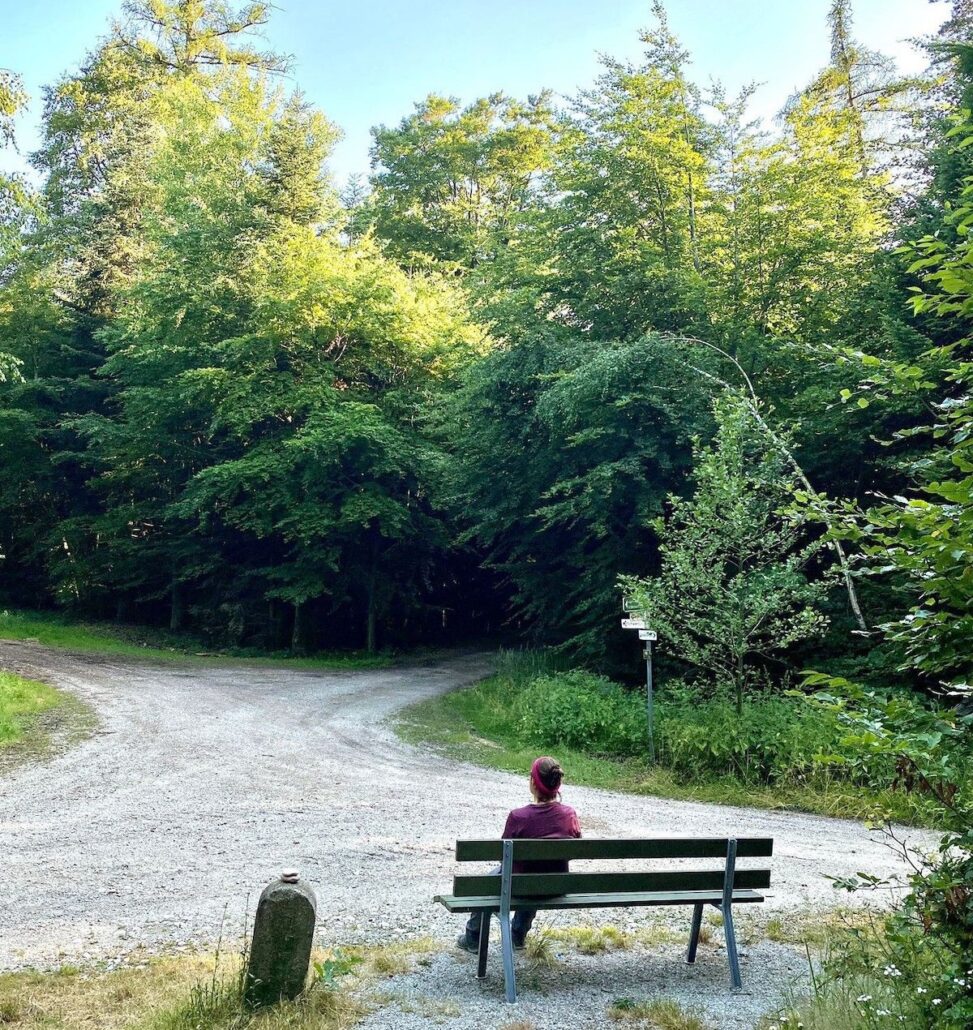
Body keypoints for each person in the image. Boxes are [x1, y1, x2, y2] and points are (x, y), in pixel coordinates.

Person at [457, 755, 582, 953]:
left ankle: (473, 937)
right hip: (556, 885)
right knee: (536, 873)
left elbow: (503, 856)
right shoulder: (569, 814)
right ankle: (518, 935)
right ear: (558, 784)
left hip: (519, 886)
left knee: (493, 882)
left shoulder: (519, 816)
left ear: (533, 782)